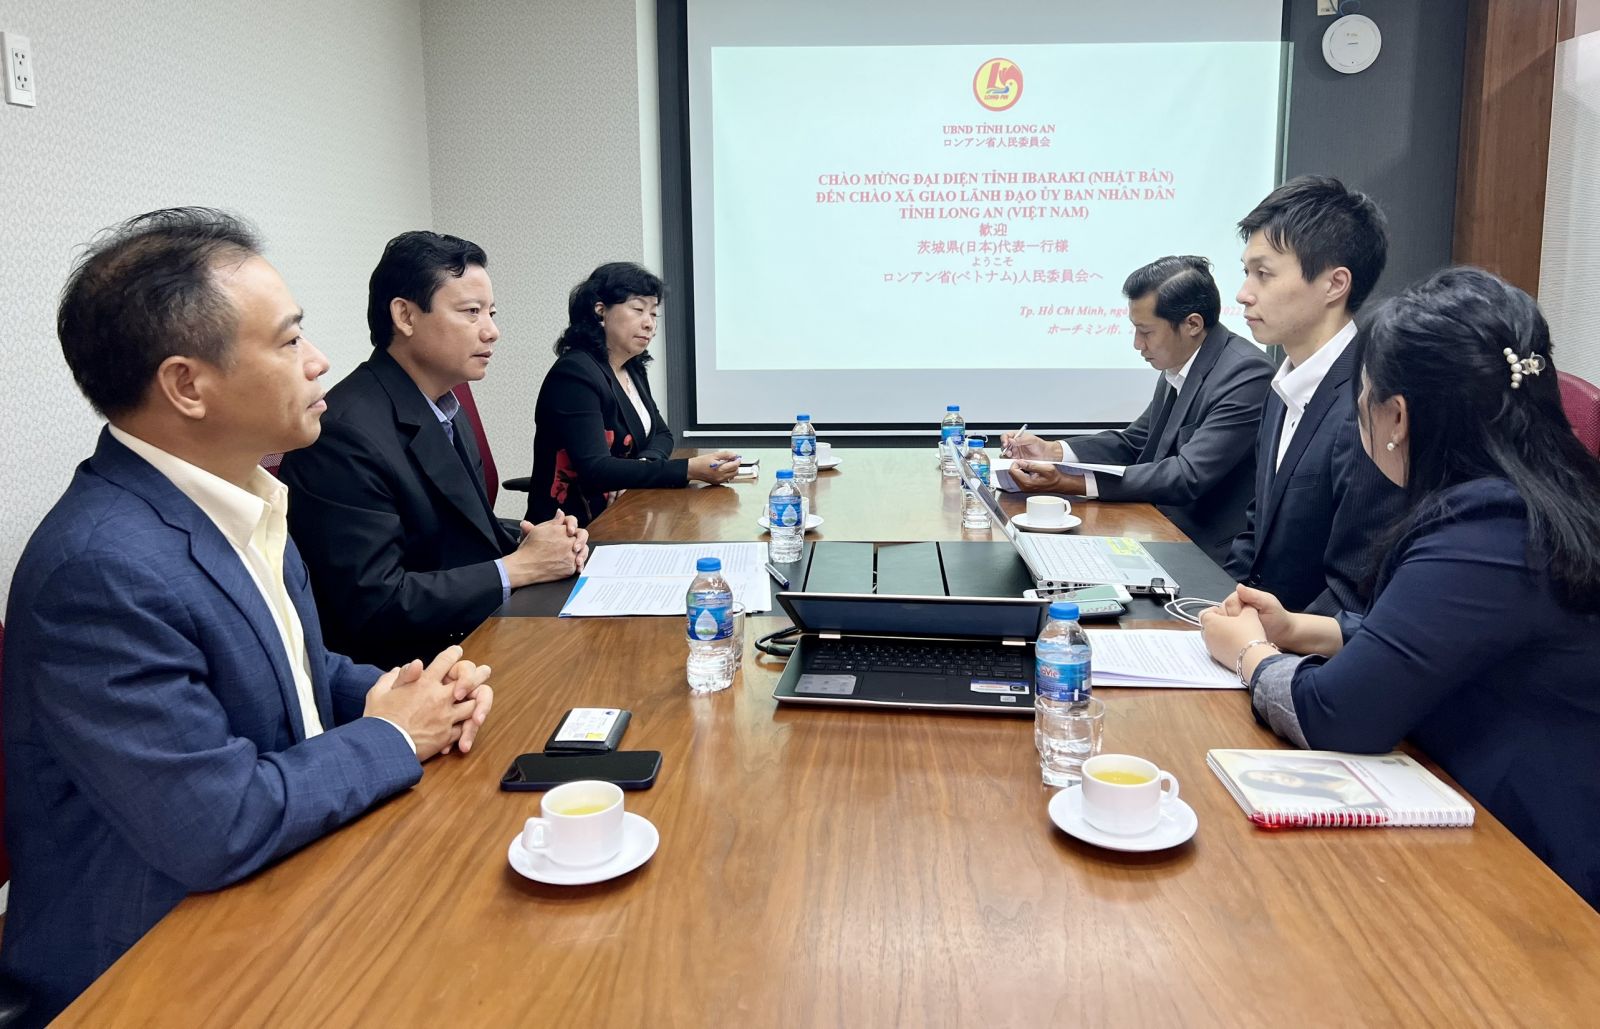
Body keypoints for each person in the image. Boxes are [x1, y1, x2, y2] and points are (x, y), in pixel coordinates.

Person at [0, 208, 495, 1025]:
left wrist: (407, 692)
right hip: (149, 969)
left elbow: (297, 664)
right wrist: (394, 734)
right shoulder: (99, 569)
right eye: (290, 340)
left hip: (278, 892)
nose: (320, 360)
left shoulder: (241, 495)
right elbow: (216, 820)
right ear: (187, 385)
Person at [1201, 267, 1600, 909]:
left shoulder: (1486, 528)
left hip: (1532, 866)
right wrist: (1301, 630)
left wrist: (1250, 654)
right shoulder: (1542, 496)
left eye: (1363, 397)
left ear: (1397, 416)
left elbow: (1337, 716)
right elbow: (1443, 637)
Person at [279, 231, 589, 669]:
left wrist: (539, 541)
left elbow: (462, 530)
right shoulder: (343, 434)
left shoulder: (444, 400)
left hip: (472, 633)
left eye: (491, 313)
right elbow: (375, 603)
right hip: (410, 670)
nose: (492, 331)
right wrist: (520, 567)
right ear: (405, 316)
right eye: (471, 312)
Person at [1003, 255, 1274, 562]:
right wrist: (1053, 451)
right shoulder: (1182, 363)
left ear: (1192, 324)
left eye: (1146, 332)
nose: (1137, 344)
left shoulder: (1246, 374)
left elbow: (1188, 475)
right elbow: (1135, 443)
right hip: (1161, 531)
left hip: (1211, 554)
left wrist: (1072, 482)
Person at [1221, 176, 1404, 614]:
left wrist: (1265, 641)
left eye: (1263, 274)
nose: (1244, 294)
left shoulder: (1367, 404)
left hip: (1305, 645)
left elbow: (1355, 588)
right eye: (1246, 273)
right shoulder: (1283, 384)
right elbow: (1257, 530)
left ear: (1334, 284)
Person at [525, 262, 739, 526]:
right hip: (571, 526)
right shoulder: (575, 374)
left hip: (623, 513)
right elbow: (596, 468)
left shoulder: (632, 368)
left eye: (654, 313)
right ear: (600, 311)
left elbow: (662, 434)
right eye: (638, 310)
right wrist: (688, 469)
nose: (649, 324)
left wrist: (642, 464)